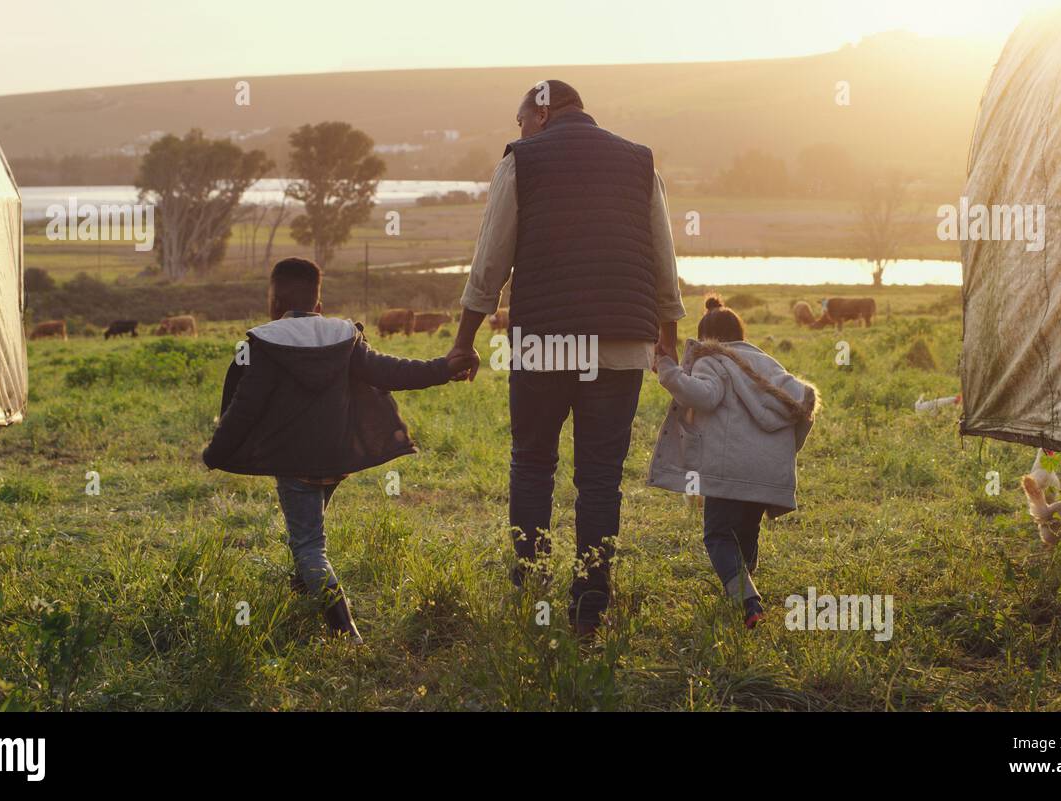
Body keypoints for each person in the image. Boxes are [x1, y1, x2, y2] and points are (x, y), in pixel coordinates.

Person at [446, 79, 685, 636]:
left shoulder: (521, 161)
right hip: (622, 345)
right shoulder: (638, 162)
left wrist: (465, 339)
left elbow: (490, 260)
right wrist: (667, 334)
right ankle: (590, 600)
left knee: (533, 463)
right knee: (600, 478)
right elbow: (663, 257)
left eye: (521, 119)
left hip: (546, 344)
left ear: (543, 110)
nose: (520, 130)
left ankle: (530, 585)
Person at [202, 257, 475, 643]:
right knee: (309, 527)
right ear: (319, 304)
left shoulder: (264, 343)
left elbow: (244, 408)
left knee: (310, 546)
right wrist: (443, 368)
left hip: (295, 463)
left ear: (274, 303)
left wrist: (215, 452)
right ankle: (302, 591)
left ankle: (346, 633)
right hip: (337, 458)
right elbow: (391, 371)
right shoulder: (344, 337)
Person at [648, 295, 819, 628]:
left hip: (729, 470)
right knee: (745, 533)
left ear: (706, 335)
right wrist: (786, 453)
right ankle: (743, 588)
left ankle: (748, 601)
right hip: (765, 472)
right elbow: (802, 404)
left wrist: (667, 370)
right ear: (741, 331)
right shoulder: (766, 363)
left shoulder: (711, 359)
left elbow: (704, 396)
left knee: (718, 535)